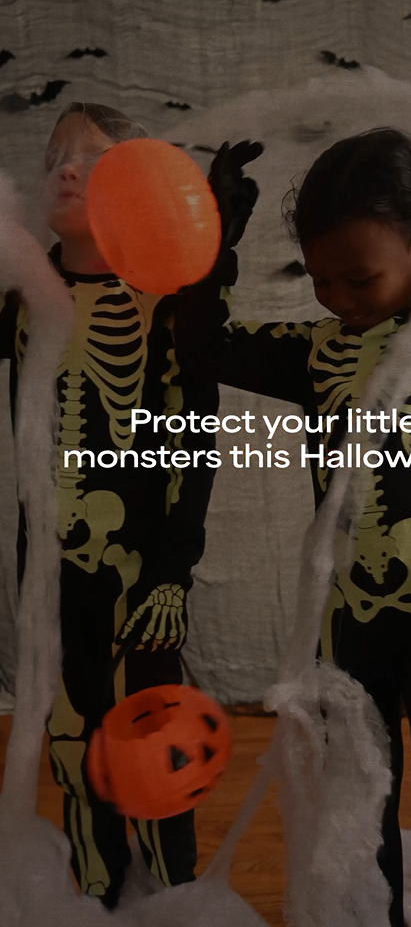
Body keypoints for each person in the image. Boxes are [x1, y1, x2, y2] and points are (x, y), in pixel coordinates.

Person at [173, 128, 411, 927]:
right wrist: (216, 231)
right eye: (320, 279)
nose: (336, 296)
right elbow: (197, 343)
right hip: (346, 620)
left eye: (358, 277)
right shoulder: (311, 353)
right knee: (351, 818)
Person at [0, 102, 259, 909]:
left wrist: (173, 572)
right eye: (56, 159)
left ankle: (174, 905)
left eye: (97, 160)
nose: (68, 170)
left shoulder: (163, 304)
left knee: (154, 748)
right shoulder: (22, 302)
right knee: (74, 751)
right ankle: (97, 903)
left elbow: (194, 442)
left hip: (139, 569)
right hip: (50, 573)